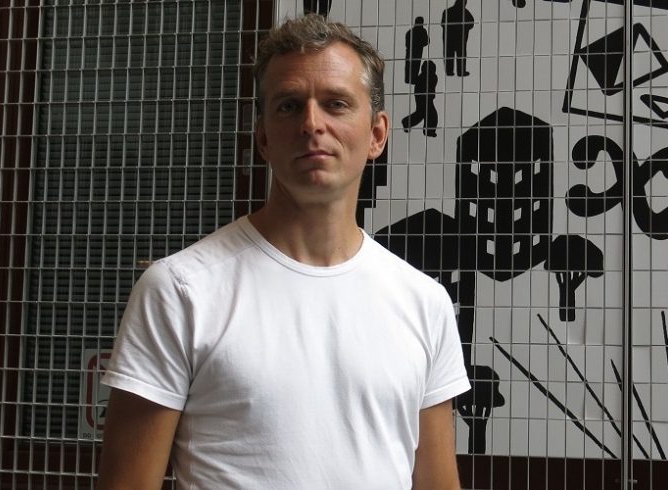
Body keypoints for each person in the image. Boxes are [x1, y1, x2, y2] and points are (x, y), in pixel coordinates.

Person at [96, 13, 470, 490]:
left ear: (377, 134)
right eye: (289, 106)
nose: (312, 123)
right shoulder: (181, 291)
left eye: (336, 104)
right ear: (263, 138)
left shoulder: (425, 303)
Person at [401, 60, 439, 137]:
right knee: (428, 114)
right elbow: (425, 88)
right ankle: (428, 131)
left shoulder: (432, 77)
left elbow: (432, 88)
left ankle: (407, 123)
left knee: (422, 113)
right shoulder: (423, 77)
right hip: (422, 97)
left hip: (425, 97)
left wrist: (431, 95)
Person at [440, 0, 474, 76]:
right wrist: (463, 28)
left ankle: (449, 71)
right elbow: (471, 23)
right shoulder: (465, 12)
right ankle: (461, 72)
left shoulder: (447, 11)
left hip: (449, 38)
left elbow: (443, 24)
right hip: (460, 38)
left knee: (449, 55)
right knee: (461, 55)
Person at [404, 17, 430, 84]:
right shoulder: (422, 31)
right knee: (415, 66)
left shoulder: (410, 32)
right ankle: (412, 79)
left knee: (410, 66)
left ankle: (409, 79)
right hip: (417, 52)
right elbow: (426, 41)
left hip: (411, 51)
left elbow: (407, 43)